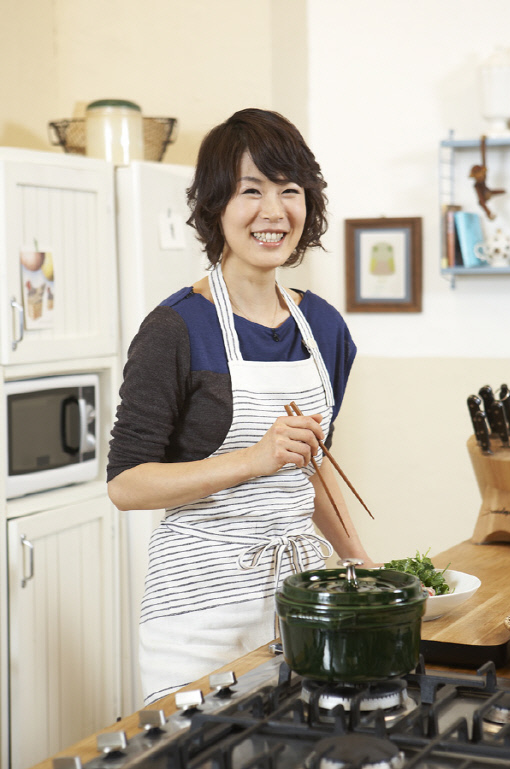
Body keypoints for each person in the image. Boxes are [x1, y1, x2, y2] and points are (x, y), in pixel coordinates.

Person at [107, 107, 374, 705]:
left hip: (302, 603)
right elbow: (126, 484)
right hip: (197, 619)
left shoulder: (323, 327)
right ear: (216, 206)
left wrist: (361, 564)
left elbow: (314, 461)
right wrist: (254, 459)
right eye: (251, 190)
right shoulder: (175, 328)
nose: (274, 211)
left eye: (290, 190)